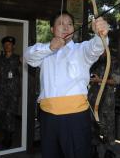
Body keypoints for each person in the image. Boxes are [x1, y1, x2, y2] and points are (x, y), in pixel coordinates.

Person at [24, 11, 109, 158]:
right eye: (60, 24)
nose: (66, 27)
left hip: (75, 117)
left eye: (70, 24)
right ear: (52, 29)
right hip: (48, 116)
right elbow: (28, 56)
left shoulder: (81, 49)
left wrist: (101, 35)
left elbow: (95, 48)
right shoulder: (44, 50)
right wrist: (50, 48)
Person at [88, 51, 120, 156]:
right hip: (93, 97)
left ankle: (109, 150)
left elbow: (115, 81)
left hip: (107, 99)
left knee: (108, 124)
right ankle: (94, 148)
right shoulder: (94, 60)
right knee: (93, 123)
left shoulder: (113, 61)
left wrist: (99, 80)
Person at [0, 36, 21, 148]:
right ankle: (6, 133)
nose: (7, 46)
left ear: (13, 46)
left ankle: (9, 137)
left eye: (9, 44)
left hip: (13, 93)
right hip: (2, 91)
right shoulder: (0, 59)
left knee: (10, 114)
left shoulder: (18, 58)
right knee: (2, 112)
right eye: (5, 44)